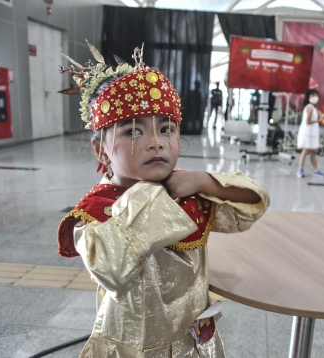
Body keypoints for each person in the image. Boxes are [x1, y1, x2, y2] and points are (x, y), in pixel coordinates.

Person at [57, 44, 270, 357]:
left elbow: (253, 204)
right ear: (101, 151)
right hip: (131, 346)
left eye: (166, 129)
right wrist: (151, 196)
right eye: (133, 131)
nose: (156, 142)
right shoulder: (95, 210)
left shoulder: (189, 190)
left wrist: (204, 181)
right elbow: (110, 268)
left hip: (192, 343)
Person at [297, 89, 324, 178]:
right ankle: (300, 169)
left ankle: (316, 170)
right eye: (312, 96)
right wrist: (319, 120)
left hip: (312, 133)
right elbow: (308, 121)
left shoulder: (314, 108)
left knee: (312, 152)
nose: (315, 98)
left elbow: (319, 116)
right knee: (305, 151)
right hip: (307, 133)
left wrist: (322, 117)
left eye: (316, 95)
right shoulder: (309, 108)